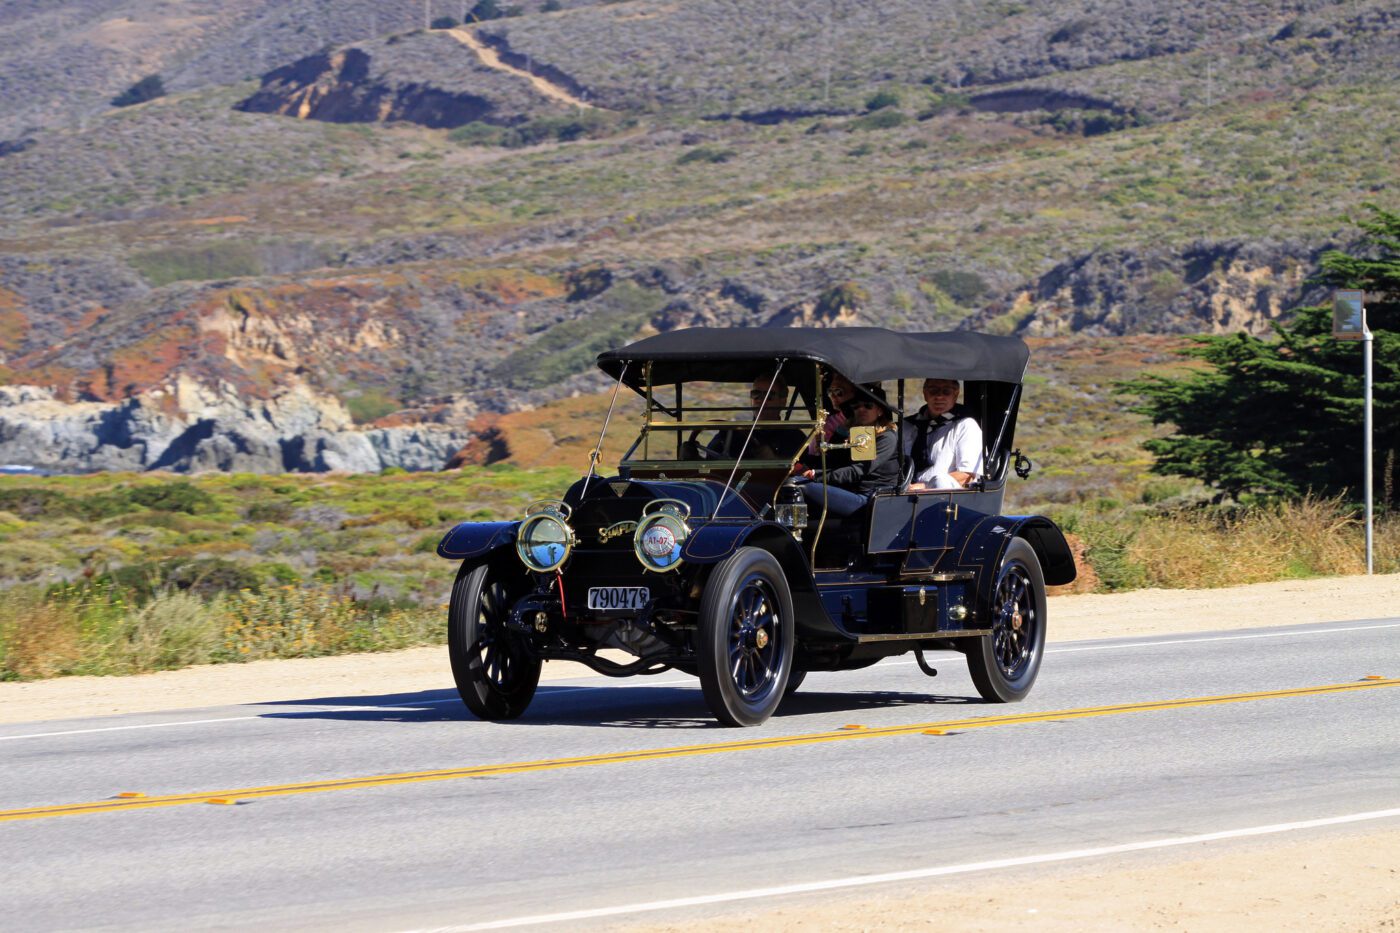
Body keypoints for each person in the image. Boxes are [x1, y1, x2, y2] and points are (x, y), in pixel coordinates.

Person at [799, 383, 901, 517]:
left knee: (801, 487)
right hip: (849, 490)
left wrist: (816, 475)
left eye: (868, 406)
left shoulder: (887, 437)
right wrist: (804, 468)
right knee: (794, 480)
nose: (861, 409)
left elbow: (857, 470)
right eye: (856, 406)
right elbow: (833, 461)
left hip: (869, 499)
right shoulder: (856, 433)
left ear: (880, 411)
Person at [703, 373, 807, 460]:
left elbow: (805, 472)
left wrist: (774, 460)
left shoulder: (794, 437)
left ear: (782, 401)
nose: (760, 400)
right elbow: (709, 458)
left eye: (768, 396)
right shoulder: (732, 434)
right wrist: (693, 457)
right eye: (756, 394)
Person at [903, 377, 983, 490]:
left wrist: (925, 486)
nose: (939, 396)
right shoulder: (907, 426)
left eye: (946, 391)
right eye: (933, 391)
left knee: (941, 481)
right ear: (925, 394)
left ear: (955, 395)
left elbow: (968, 474)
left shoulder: (965, 425)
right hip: (903, 493)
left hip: (944, 497)